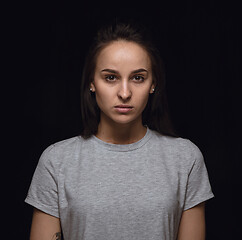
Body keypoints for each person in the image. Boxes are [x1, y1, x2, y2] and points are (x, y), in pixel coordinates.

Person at [25, 21, 214, 240]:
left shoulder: (184, 158)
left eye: (138, 78)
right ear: (91, 82)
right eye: (111, 77)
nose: (125, 93)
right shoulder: (57, 161)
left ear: (153, 84)